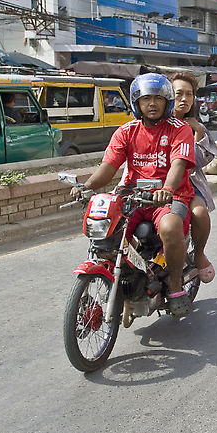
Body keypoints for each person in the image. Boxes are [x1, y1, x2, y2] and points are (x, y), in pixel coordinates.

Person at [69, 73, 196, 318]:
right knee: (108, 232)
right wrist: (87, 187)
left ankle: (176, 284)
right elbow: (108, 167)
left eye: (158, 98)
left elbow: (178, 166)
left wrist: (166, 190)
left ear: (166, 101)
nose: (152, 103)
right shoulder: (126, 131)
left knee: (170, 227)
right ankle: (128, 283)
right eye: (145, 98)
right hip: (132, 196)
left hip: (170, 196)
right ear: (136, 102)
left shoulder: (180, 130)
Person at [170, 72, 217, 285]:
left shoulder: (192, 125)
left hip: (187, 184)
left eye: (189, 94)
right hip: (152, 182)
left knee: (199, 213)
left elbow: (198, 161)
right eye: (179, 93)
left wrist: (197, 132)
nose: (184, 99)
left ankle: (198, 253)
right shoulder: (151, 122)